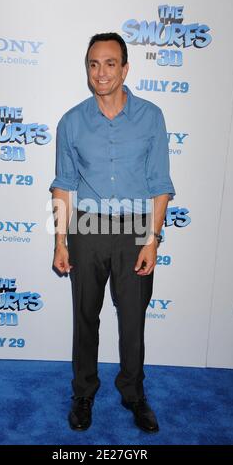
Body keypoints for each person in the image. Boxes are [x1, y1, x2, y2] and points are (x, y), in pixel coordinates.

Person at [49, 32, 175, 433]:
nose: (101, 72)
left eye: (109, 63)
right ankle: (83, 393)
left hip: (137, 231)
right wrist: (60, 242)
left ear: (124, 68)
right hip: (86, 229)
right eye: (93, 64)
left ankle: (133, 394)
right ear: (87, 69)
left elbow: (160, 184)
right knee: (85, 317)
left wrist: (152, 240)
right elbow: (63, 185)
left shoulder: (151, 116)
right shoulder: (71, 121)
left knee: (133, 321)